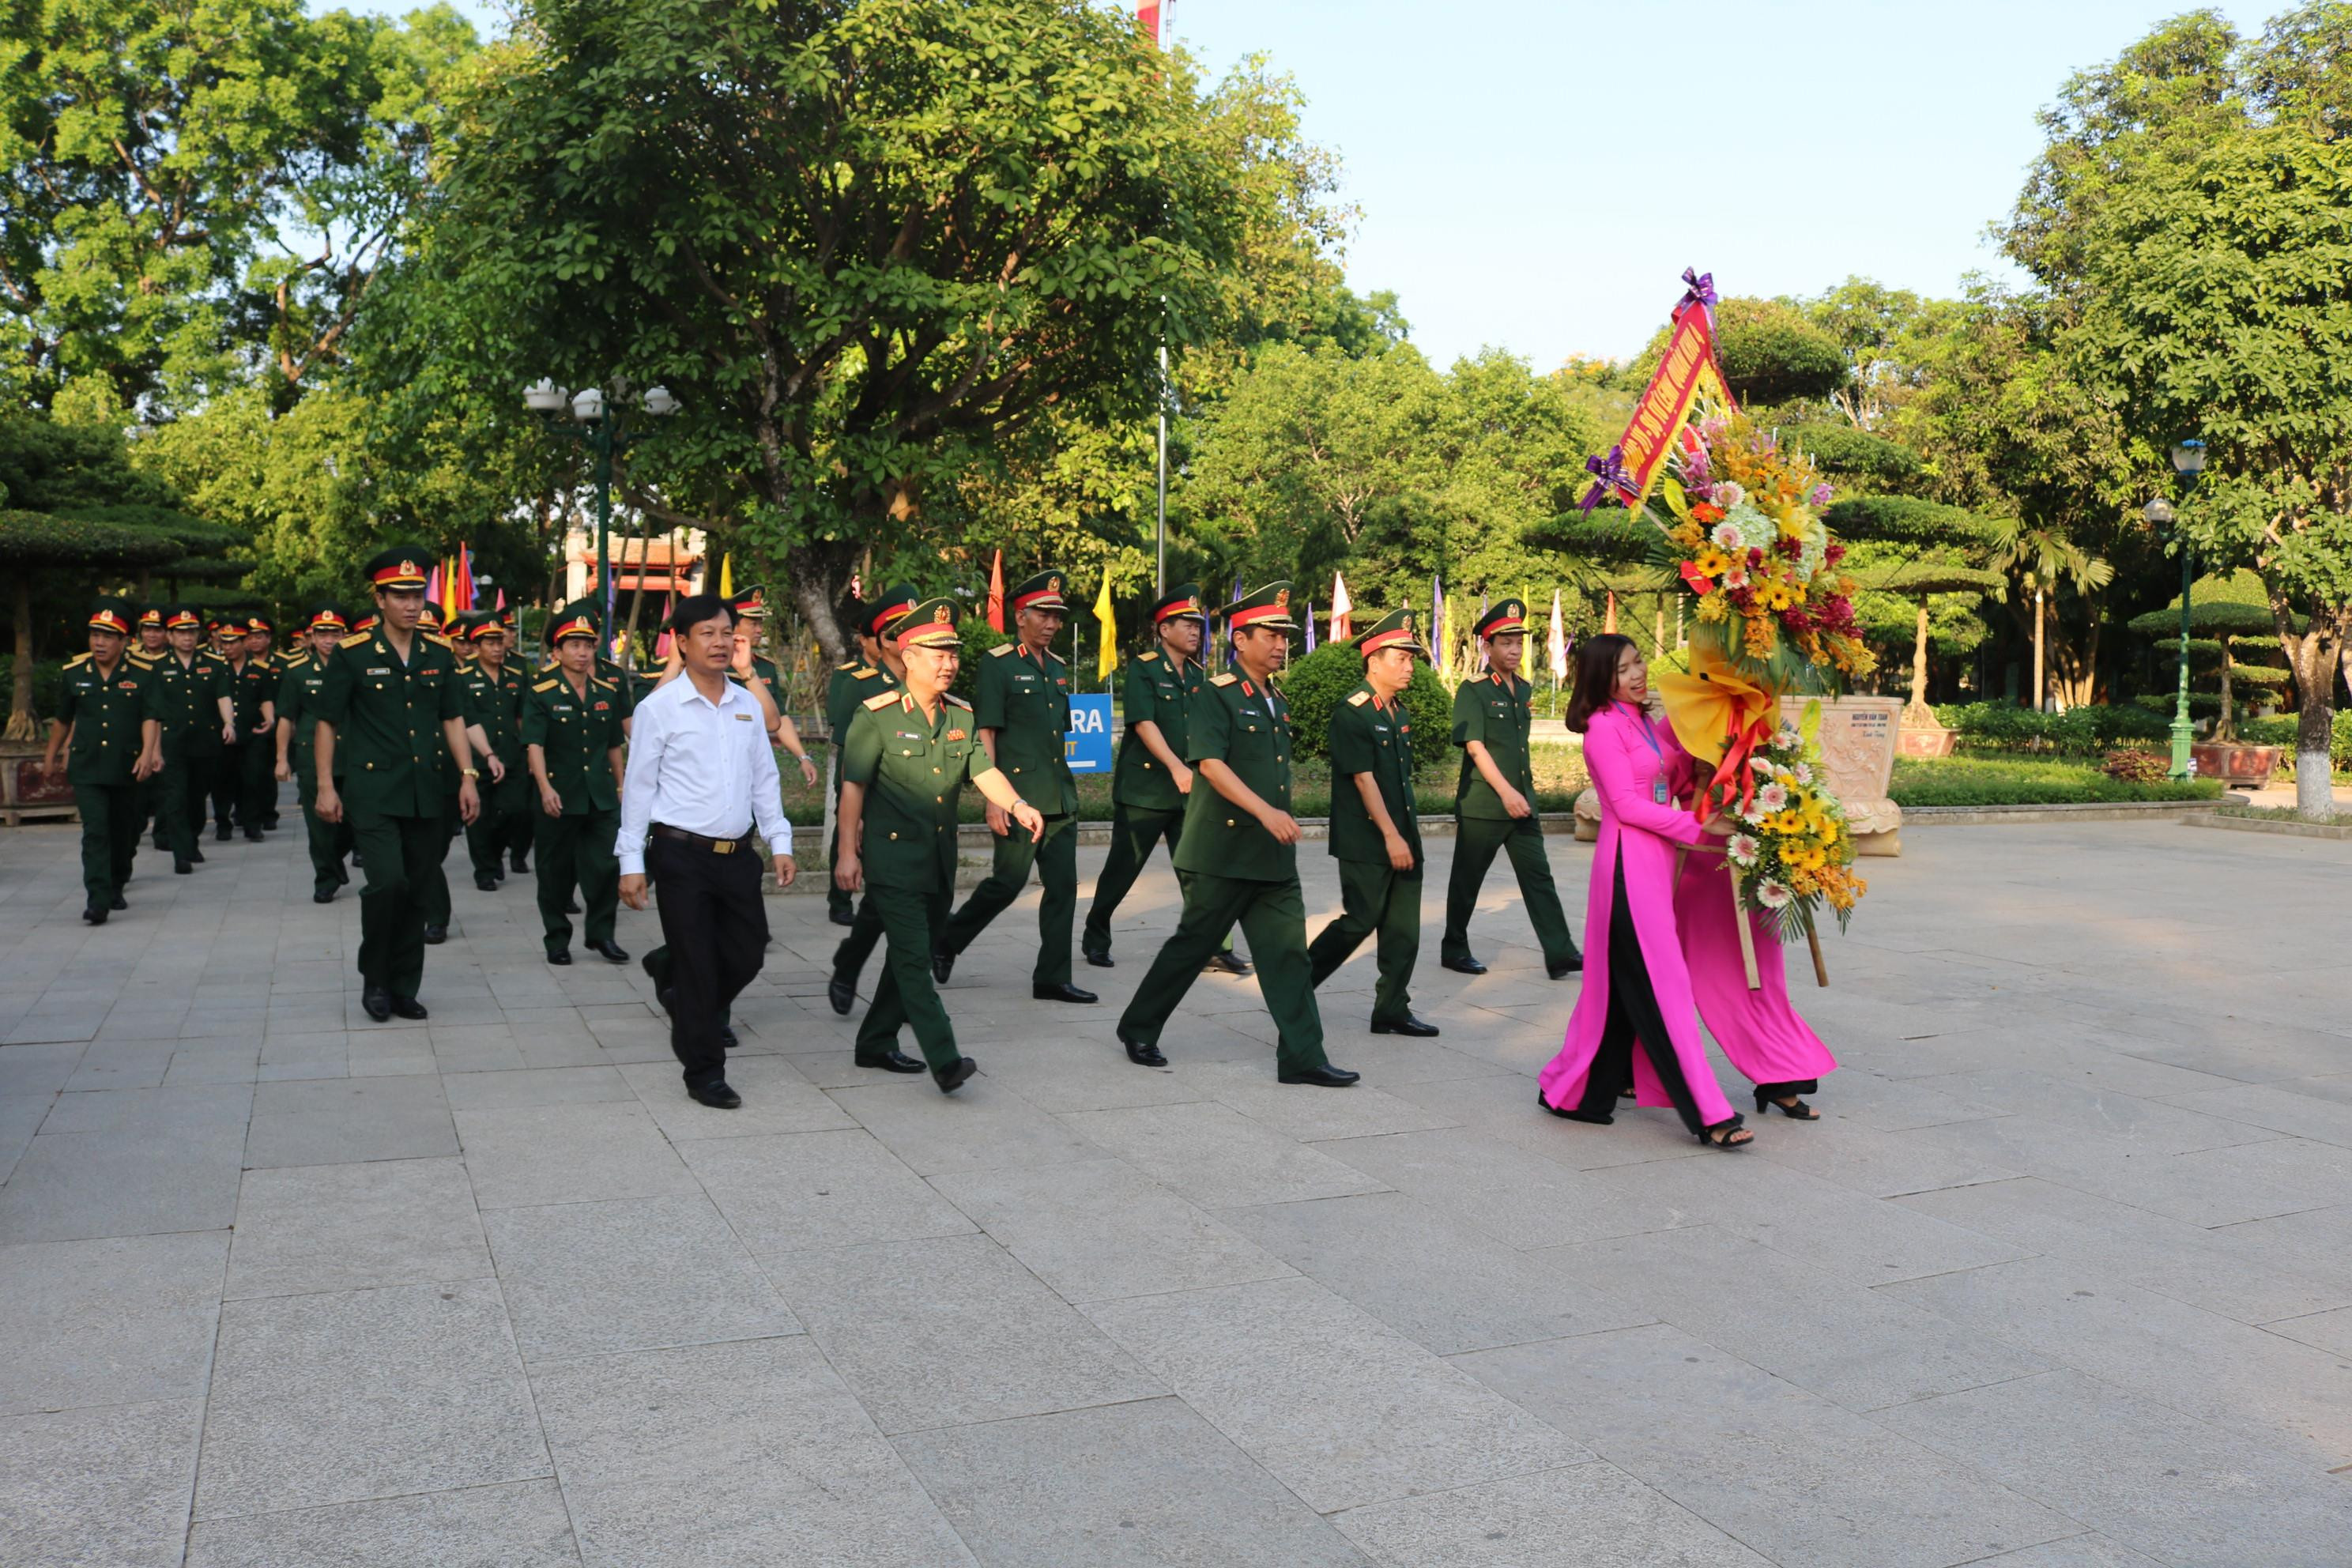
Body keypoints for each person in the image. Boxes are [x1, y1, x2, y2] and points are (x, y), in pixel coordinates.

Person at [1113, 583, 1359, 1088]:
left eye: (1283, 636)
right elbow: (1209, 764)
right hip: (1221, 851)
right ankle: (1138, 1026)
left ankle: (1302, 1057)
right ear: (1239, 640)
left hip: (1270, 856)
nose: (1279, 644)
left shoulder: (1277, 700)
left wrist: (1273, 818)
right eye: (1269, 635)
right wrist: (1267, 811)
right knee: (1192, 946)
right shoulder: (1214, 693)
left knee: (1287, 956)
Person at [1535, 634, 1751, 1148]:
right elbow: (1629, 807)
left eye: (1639, 662)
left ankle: (1576, 1094)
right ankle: (1710, 1114)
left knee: (1615, 993)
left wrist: (1714, 732)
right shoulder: (1602, 730)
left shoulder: (1642, 722)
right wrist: (1700, 830)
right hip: (1627, 872)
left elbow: (1670, 771)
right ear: (1602, 678)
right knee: (1666, 988)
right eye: (1626, 667)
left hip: (1654, 868)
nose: (1638, 673)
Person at [834, 597, 1045, 1090]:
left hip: (938, 860)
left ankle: (875, 1042)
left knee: (913, 953)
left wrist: (1017, 805)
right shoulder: (876, 716)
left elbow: (983, 769)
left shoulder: (960, 715)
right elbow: (853, 788)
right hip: (892, 860)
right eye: (937, 654)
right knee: (912, 959)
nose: (949, 664)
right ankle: (945, 1059)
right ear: (909, 658)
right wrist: (847, 853)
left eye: (952, 654)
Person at [619, 594, 795, 1108]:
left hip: (738, 855)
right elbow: (639, 787)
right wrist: (631, 864)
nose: (719, 643)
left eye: (726, 633)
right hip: (680, 856)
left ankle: (680, 993)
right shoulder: (658, 708)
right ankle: (704, 1071)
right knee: (698, 960)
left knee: (748, 950)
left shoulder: (745, 705)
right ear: (682, 642)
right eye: (707, 634)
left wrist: (779, 840)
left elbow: (765, 778)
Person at [314, 548, 483, 1023]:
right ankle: (376, 978)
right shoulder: (353, 654)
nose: (412, 604)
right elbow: (327, 722)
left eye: (417, 594)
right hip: (372, 792)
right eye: (401, 595)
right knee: (387, 883)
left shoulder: (440, 653)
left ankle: (405, 986)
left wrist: (467, 777)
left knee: (418, 889)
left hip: (427, 790)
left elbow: (453, 717)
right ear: (380, 598)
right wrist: (326, 786)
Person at [933, 570, 1093, 1003]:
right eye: (1043, 614)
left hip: (1059, 796)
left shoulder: (1057, 667)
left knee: (1063, 889)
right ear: (1021, 616)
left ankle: (1053, 977)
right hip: (1018, 796)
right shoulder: (998, 663)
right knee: (1008, 883)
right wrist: (995, 800)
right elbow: (987, 731)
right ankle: (947, 941)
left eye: (1057, 617)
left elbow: (1059, 731)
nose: (1052, 624)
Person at [1080, 582, 1248, 976]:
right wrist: (1175, 766)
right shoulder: (1144, 668)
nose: (1195, 631)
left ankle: (1214, 946)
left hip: (1189, 792)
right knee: (1123, 869)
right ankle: (1096, 935)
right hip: (1145, 791)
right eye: (1185, 624)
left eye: (1197, 624)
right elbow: (1143, 724)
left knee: (1199, 870)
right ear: (1163, 629)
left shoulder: (1197, 674)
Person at [1306, 608, 1438, 1035]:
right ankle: (1294, 987)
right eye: (1400, 658)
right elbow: (1363, 780)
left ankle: (1392, 1009)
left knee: (1403, 931)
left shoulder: (1398, 712)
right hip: (1368, 838)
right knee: (1360, 920)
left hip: (1402, 835)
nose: (1409, 666)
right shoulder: (1353, 712)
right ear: (1373, 660)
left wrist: (1404, 836)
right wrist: (1390, 836)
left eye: (1411, 658)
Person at [1440, 599, 1581, 979]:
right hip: (1485, 804)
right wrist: (1505, 793)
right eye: (1506, 643)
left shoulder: (1523, 688)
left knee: (1539, 877)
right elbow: (1475, 746)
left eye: (1519, 643)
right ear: (1488, 647)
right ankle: (1454, 947)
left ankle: (1560, 952)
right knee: (1467, 881)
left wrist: (1520, 795)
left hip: (1522, 803)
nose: (1515, 650)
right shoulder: (1474, 690)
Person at [1675, 839, 1840, 1118]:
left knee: (1765, 978)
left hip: (1761, 855)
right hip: (1707, 860)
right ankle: (1624, 1066)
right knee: (1719, 978)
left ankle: (1780, 1071)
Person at [822, 586, 916, 1014]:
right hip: (876, 812)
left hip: (920, 813)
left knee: (887, 906)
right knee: (898, 911)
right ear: (880, 640)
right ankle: (908, 1002)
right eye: (898, 633)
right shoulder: (858, 684)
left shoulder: (929, 678)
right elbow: (849, 762)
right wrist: (850, 822)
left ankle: (850, 962)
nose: (909, 639)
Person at [42, 599, 163, 923]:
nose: (99, 642)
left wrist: (148, 753)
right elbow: (63, 719)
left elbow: (151, 716)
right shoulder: (74, 674)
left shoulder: (144, 674)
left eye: (108, 636)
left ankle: (117, 882)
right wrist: (51, 756)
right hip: (88, 766)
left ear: (124, 641)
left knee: (123, 830)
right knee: (96, 831)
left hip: (127, 765)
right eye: (95, 634)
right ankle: (97, 898)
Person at [525, 605, 630, 967]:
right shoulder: (542, 691)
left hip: (599, 794)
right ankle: (556, 938)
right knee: (554, 871)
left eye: (587, 645)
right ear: (557, 651)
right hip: (558, 793)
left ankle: (602, 935)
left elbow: (613, 743)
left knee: (606, 865)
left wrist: (621, 784)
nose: (582, 652)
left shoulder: (606, 690)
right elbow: (534, 744)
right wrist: (544, 787)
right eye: (574, 645)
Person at [274, 604, 355, 903]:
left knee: (355, 821)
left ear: (344, 635)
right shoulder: (298, 673)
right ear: (311, 637)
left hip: (353, 753)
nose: (328, 640)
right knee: (319, 824)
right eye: (322, 634)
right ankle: (326, 878)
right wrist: (282, 758)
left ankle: (334, 861)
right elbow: (286, 717)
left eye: (334, 633)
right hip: (310, 757)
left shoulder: (355, 667)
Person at [147, 605, 235, 875]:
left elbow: (223, 696)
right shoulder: (157, 668)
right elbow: (154, 712)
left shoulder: (214, 664)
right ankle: (181, 853)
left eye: (192, 632)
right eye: (180, 633)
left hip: (205, 742)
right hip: (172, 742)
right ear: (170, 637)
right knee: (175, 798)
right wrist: (154, 749)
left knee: (197, 798)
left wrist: (229, 723)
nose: (187, 637)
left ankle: (192, 839)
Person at [458, 612, 533, 891]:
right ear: (477, 647)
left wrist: (528, 752)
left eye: (499, 641)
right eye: (490, 642)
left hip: (511, 755)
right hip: (477, 760)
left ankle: (496, 851)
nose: (497, 648)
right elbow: (460, 722)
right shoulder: (463, 677)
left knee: (517, 811)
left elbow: (522, 716)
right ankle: (485, 870)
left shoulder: (515, 675)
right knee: (479, 817)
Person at [724, 584, 824, 788]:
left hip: (757, 760)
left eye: (761, 623)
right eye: (753, 623)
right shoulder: (715, 665)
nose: (760, 629)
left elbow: (780, 717)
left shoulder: (765, 667)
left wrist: (803, 757)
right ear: (733, 627)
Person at [413, 601, 464, 943]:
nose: (427, 638)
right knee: (424, 853)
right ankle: (436, 916)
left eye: (433, 632)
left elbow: (462, 719)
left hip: (444, 775)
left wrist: (473, 769)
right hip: (407, 775)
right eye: (422, 631)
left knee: (433, 850)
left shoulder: (445, 667)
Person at [205, 616, 260, 840]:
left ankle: (252, 824)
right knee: (221, 781)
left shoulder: (259, 668)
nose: (228, 647)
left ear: (245, 642)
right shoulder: (214, 668)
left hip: (251, 734)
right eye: (224, 642)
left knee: (252, 780)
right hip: (221, 735)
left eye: (233, 642)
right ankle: (222, 823)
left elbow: (265, 699)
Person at [239, 616, 283, 831]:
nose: (254, 641)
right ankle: (247, 813)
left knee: (268, 772)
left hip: (274, 726)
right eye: (250, 637)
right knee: (248, 774)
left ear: (268, 639)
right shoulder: (240, 664)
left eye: (259, 637)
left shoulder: (283, 663)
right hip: (248, 726)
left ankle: (268, 812)